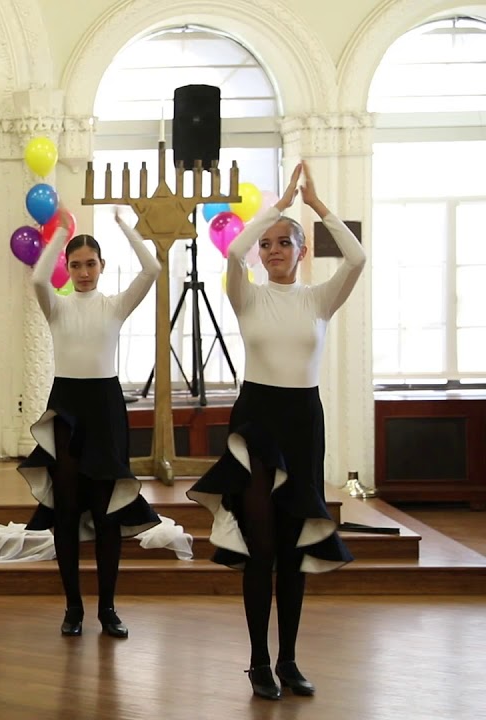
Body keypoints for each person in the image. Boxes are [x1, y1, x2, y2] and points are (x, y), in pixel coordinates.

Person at [187, 162, 365, 701]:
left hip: (303, 422)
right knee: (260, 544)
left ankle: (288, 658)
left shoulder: (319, 300)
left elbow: (357, 257)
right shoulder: (247, 295)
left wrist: (315, 207)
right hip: (258, 421)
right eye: (267, 245)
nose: (271, 252)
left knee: (292, 548)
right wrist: (279, 204)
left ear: (301, 250)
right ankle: (258, 661)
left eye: (283, 244)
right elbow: (232, 252)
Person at [17, 208, 162, 639]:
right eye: (75, 264)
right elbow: (39, 280)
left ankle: (109, 609)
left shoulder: (115, 305)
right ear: (69, 266)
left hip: (104, 409)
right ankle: (73, 608)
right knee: (66, 512)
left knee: (107, 513)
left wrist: (125, 227)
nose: (82, 272)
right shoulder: (57, 308)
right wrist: (62, 234)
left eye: (90, 264)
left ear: (102, 266)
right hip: (66, 408)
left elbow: (152, 267)